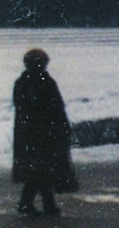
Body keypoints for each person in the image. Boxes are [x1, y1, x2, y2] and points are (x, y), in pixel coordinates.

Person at [13, 48, 75, 216]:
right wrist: (61, 128)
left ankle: (44, 205)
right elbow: (55, 108)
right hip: (44, 134)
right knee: (42, 170)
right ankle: (31, 204)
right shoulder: (44, 82)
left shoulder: (22, 82)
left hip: (30, 134)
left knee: (41, 171)